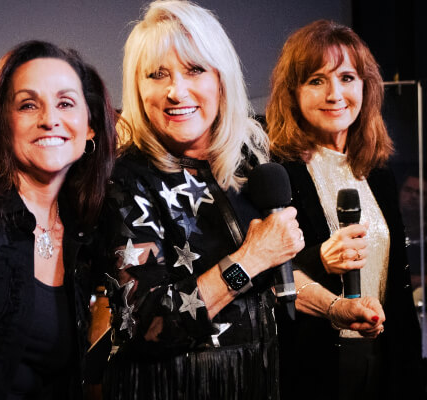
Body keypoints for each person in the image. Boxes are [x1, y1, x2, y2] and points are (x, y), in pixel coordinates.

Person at [95, 1, 305, 398]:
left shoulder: (248, 160)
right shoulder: (123, 179)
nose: (176, 91)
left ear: (221, 79)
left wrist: (333, 307)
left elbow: (273, 271)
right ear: (138, 89)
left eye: (194, 70)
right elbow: (149, 323)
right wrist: (250, 258)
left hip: (254, 380)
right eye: (157, 75)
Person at [0, 41, 117, 399]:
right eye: (28, 105)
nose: (49, 119)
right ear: (2, 124)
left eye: (66, 104)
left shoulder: (92, 236)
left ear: (91, 128)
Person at [266, 20, 426, 399]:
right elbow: (268, 274)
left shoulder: (378, 170)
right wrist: (320, 258)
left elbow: (397, 278)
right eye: (317, 80)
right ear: (294, 92)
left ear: (365, 86)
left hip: (387, 353)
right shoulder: (277, 170)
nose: (335, 93)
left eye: (347, 77)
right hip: (314, 360)